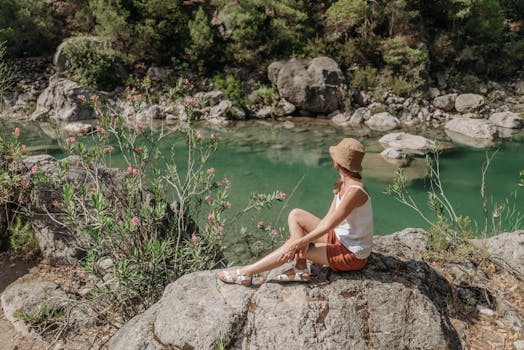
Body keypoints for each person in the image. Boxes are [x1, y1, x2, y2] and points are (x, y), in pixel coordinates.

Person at [217, 138, 373, 286]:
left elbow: (330, 224)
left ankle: (246, 273)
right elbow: (327, 219)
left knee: (294, 244)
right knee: (296, 214)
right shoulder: (342, 183)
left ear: (337, 162)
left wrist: (299, 243)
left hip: (351, 254)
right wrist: (299, 242)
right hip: (339, 238)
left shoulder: (355, 191)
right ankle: (300, 267)